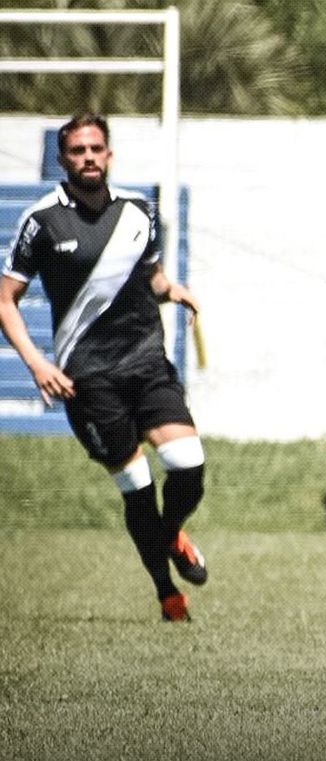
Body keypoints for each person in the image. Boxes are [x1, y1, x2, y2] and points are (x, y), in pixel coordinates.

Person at [0, 112, 208, 623]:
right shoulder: (41, 221)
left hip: (146, 363)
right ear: (62, 158)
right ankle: (166, 592)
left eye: (96, 149)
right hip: (88, 378)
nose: (88, 158)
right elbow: (6, 300)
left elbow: (152, 277)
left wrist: (173, 290)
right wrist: (35, 362)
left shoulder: (140, 212)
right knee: (135, 484)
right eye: (77, 151)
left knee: (188, 465)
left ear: (109, 155)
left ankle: (169, 534)